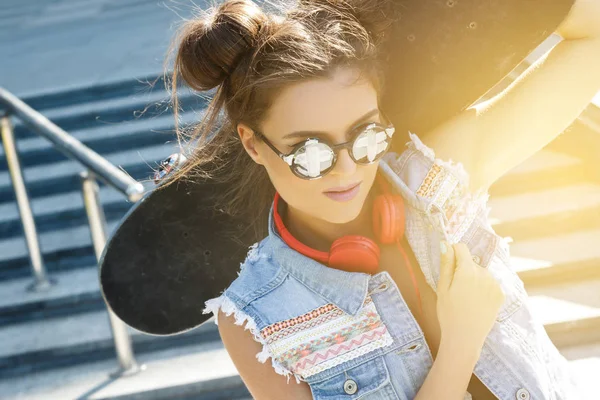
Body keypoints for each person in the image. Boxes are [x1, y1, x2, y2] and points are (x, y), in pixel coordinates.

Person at [161, 0, 600, 398]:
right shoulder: (258, 319)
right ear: (254, 145)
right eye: (310, 152)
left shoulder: (439, 178)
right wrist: (461, 343)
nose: (347, 169)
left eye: (366, 135)